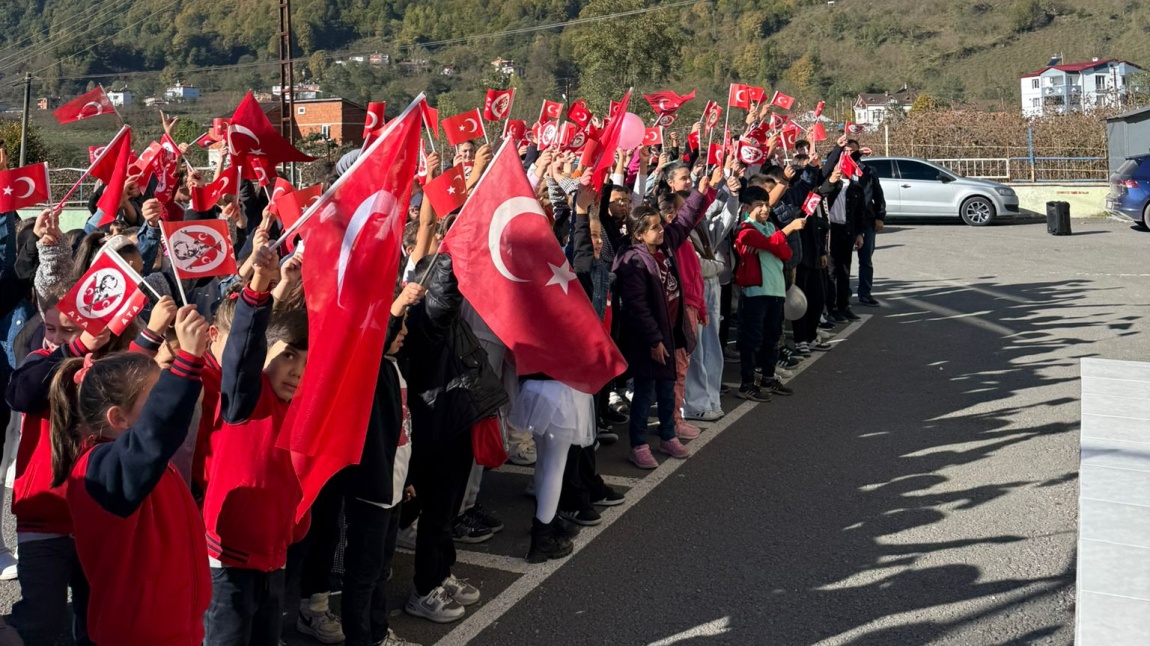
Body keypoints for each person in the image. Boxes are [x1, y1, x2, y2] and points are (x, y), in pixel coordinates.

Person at [53, 306, 213, 645]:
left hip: (177, 628)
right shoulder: (101, 468)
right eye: (154, 398)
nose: (160, 405)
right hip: (138, 634)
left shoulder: (133, 459)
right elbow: (156, 434)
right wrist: (186, 363)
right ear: (118, 418)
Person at [201, 245, 309, 645]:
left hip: (274, 556)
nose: (296, 371)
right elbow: (243, 351)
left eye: (306, 363)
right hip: (227, 558)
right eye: (289, 356)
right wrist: (260, 288)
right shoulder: (248, 399)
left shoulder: (298, 409)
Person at [341, 281, 426, 646]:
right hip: (372, 489)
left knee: (381, 570)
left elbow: (400, 429)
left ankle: (377, 633)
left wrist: (406, 477)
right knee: (363, 573)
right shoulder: (368, 367)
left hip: (393, 485)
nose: (404, 331)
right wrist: (399, 304)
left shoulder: (392, 367)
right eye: (398, 325)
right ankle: (361, 639)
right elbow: (376, 341)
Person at [612, 163, 710, 469]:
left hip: (670, 331)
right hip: (648, 339)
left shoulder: (663, 247)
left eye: (659, 225)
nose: (661, 230)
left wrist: (701, 193)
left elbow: (682, 222)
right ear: (639, 234)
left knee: (667, 389)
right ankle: (639, 444)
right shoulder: (633, 261)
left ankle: (668, 436)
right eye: (654, 227)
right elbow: (637, 307)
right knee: (645, 392)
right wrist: (654, 339)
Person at [733, 182, 806, 402]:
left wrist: (773, 241)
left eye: (766, 205)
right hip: (756, 292)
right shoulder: (745, 229)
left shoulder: (770, 228)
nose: (764, 209)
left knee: (772, 337)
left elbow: (784, 251)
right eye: (758, 205)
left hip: (775, 290)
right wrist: (788, 229)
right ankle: (746, 383)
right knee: (752, 339)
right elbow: (766, 243)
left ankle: (768, 377)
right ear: (747, 208)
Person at [844, 139, 886, 307]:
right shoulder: (839, 170)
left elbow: (878, 194)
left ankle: (865, 293)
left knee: (866, 259)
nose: (850, 153)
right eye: (846, 150)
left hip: (867, 220)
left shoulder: (868, 171)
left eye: (853, 150)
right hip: (845, 221)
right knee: (842, 260)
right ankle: (842, 294)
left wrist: (880, 216)